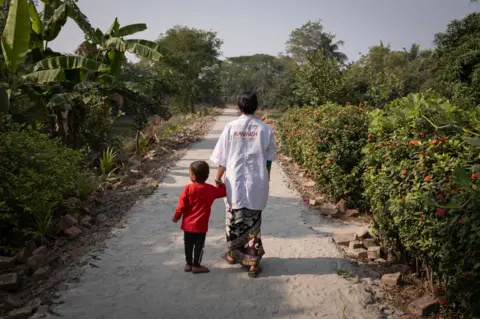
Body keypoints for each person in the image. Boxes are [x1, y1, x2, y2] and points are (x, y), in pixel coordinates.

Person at [210, 91, 277, 278]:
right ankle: (253, 264)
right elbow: (269, 160)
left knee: (233, 218)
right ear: (256, 106)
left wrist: (217, 178)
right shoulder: (265, 129)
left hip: (235, 181)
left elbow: (222, 158)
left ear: (238, 106)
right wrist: (267, 177)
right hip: (257, 181)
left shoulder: (231, 127)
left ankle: (232, 255)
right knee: (253, 220)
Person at [172, 160, 226, 274]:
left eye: (189, 173)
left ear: (193, 177)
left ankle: (188, 264)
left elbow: (181, 206)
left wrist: (176, 217)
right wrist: (220, 182)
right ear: (206, 176)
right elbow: (223, 192)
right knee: (199, 246)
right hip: (201, 226)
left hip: (187, 225)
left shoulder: (187, 189)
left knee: (188, 245)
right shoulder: (210, 189)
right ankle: (196, 265)